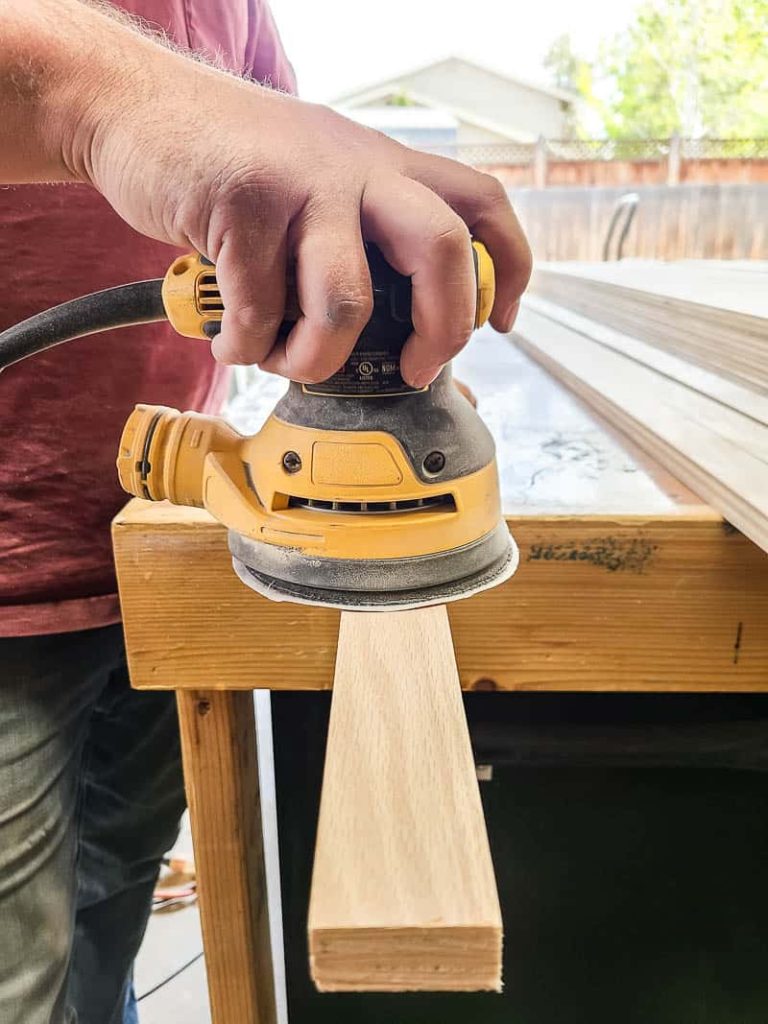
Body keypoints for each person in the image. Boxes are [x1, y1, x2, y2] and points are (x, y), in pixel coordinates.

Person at [0, 1, 531, 1021]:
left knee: (113, 898)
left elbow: (288, 203)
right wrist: (103, 96)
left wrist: (382, 346)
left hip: (154, 557)